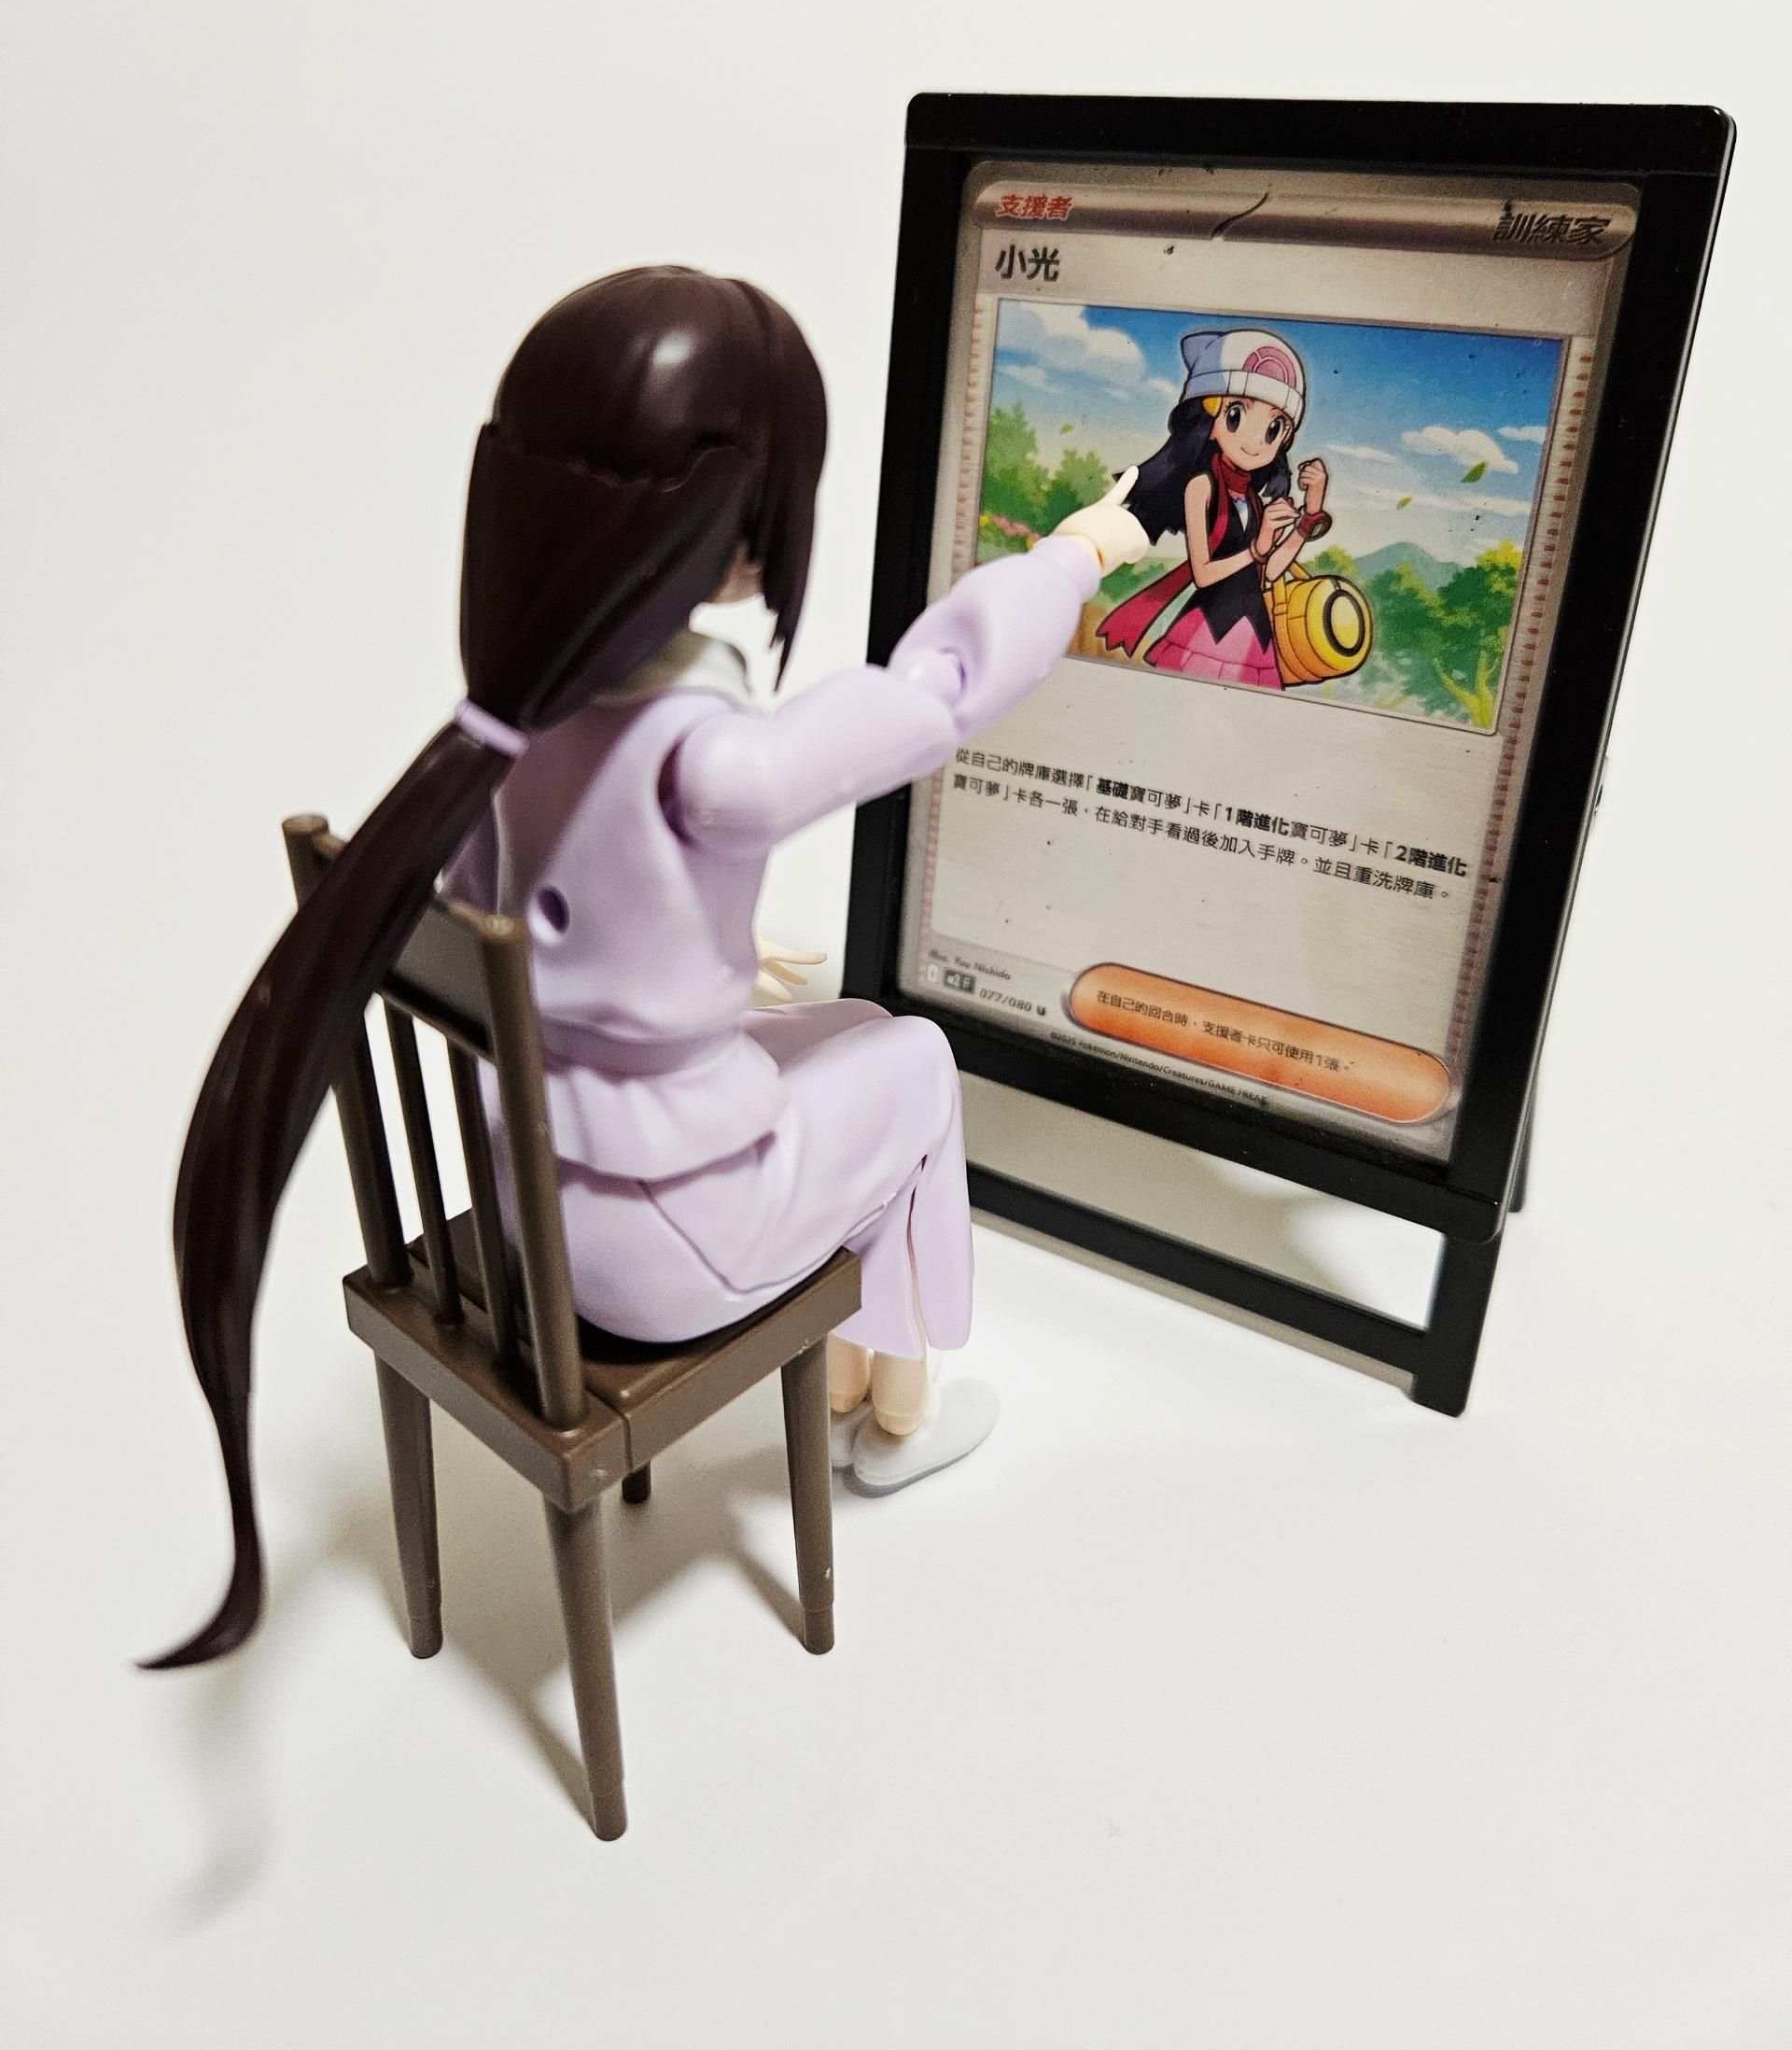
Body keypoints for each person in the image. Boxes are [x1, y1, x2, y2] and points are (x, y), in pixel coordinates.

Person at [151, 265, 1148, 1667]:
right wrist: (1076, 557)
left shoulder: (501, 730)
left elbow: (504, 926)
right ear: (729, 534)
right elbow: (936, 700)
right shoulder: (713, 758)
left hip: (536, 1205)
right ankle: (901, 1416)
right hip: (659, 1249)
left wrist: (698, 965)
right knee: (915, 1058)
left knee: (846, 1025)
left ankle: (852, 1374)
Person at [1097, 327, 1330, 684]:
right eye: (1236, 416)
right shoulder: (1201, 486)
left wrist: (1309, 516)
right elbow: (1203, 574)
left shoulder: (1252, 499)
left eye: (1274, 428)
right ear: (1209, 421)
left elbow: (1268, 573)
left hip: (1254, 637)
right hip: (1209, 630)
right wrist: (1256, 547)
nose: (1256, 442)